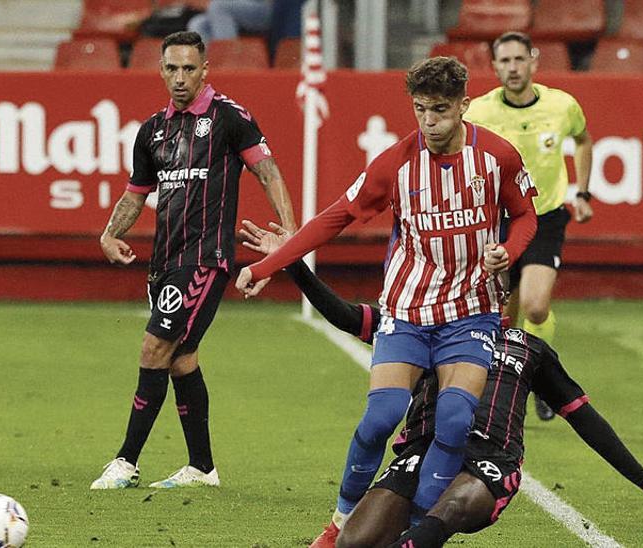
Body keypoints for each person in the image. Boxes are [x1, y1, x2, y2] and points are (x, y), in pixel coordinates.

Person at [236, 221, 643, 548]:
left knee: (452, 508)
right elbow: (345, 315)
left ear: (504, 288)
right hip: (422, 448)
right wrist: (293, 262)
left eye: (493, 276)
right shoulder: (421, 325)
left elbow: (584, 418)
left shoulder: (530, 349)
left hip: (491, 463)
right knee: (356, 540)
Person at [235, 56, 537, 543]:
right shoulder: (395, 162)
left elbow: (525, 215)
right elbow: (334, 217)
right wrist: (266, 266)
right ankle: (337, 525)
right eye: (420, 109)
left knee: (456, 420)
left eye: (439, 109)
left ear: (464, 104)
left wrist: (508, 250)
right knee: (380, 419)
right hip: (408, 312)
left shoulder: (497, 156)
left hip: (470, 312)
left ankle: (415, 533)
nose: (429, 121)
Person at [91, 30, 297, 490]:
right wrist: (109, 233)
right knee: (181, 358)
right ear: (161, 70)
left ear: (205, 70)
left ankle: (126, 461)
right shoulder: (152, 130)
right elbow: (135, 193)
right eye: (171, 68)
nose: (180, 78)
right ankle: (202, 467)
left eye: (189, 68)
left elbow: (268, 171)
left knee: (153, 348)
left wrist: (290, 232)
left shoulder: (230, 119)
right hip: (165, 260)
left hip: (206, 257)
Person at [464, 32, 594, 421]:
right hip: (498, 219)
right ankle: (502, 381)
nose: (513, 68)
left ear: (533, 62)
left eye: (519, 59)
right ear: (495, 66)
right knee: (502, 312)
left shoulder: (562, 105)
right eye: (505, 61)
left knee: (536, 308)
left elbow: (584, 140)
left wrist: (583, 193)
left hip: (546, 216)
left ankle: (540, 379)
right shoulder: (479, 113)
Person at [187, 0, 272, 42]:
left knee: (219, 6)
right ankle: (207, 69)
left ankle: (227, 61)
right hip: (232, 10)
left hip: (268, 9)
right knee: (198, 23)